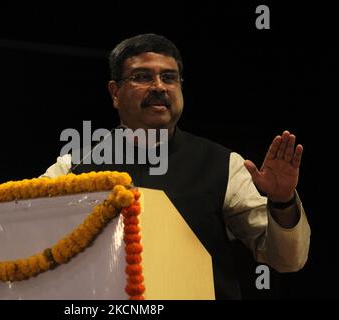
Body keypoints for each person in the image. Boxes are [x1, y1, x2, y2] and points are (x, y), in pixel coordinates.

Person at [42, 34, 311, 299]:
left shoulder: (223, 164)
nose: (159, 86)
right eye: (143, 77)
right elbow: (30, 238)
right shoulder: (73, 168)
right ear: (115, 92)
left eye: (169, 78)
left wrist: (282, 201)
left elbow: (287, 261)